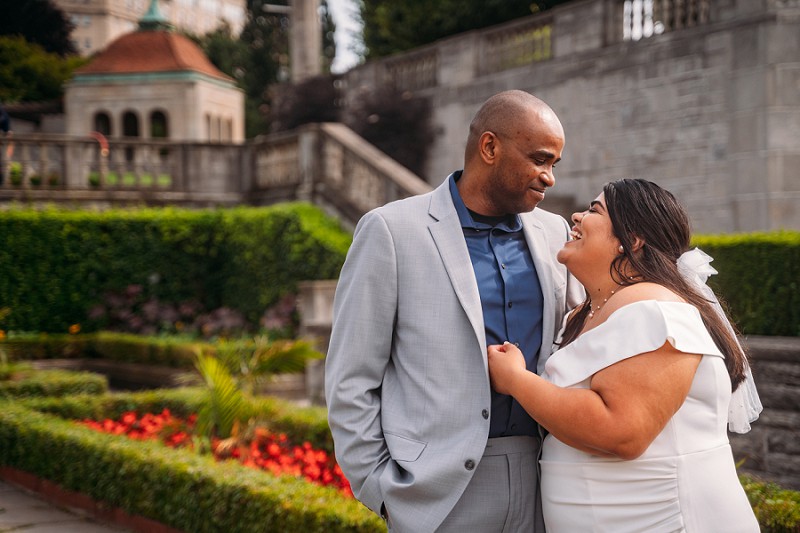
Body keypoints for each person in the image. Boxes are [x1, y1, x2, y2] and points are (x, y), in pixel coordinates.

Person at [325, 90, 584, 532]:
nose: (549, 178)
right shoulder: (391, 230)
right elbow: (351, 378)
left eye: (554, 165)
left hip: (546, 479)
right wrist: (381, 489)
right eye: (540, 160)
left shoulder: (554, 231)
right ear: (489, 147)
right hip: (438, 492)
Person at [487, 178, 762, 532]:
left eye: (594, 209)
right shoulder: (581, 314)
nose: (576, 216)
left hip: (665, 520)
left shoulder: (655, 309)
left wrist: (516, 380)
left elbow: (622, 432)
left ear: (631, 240)